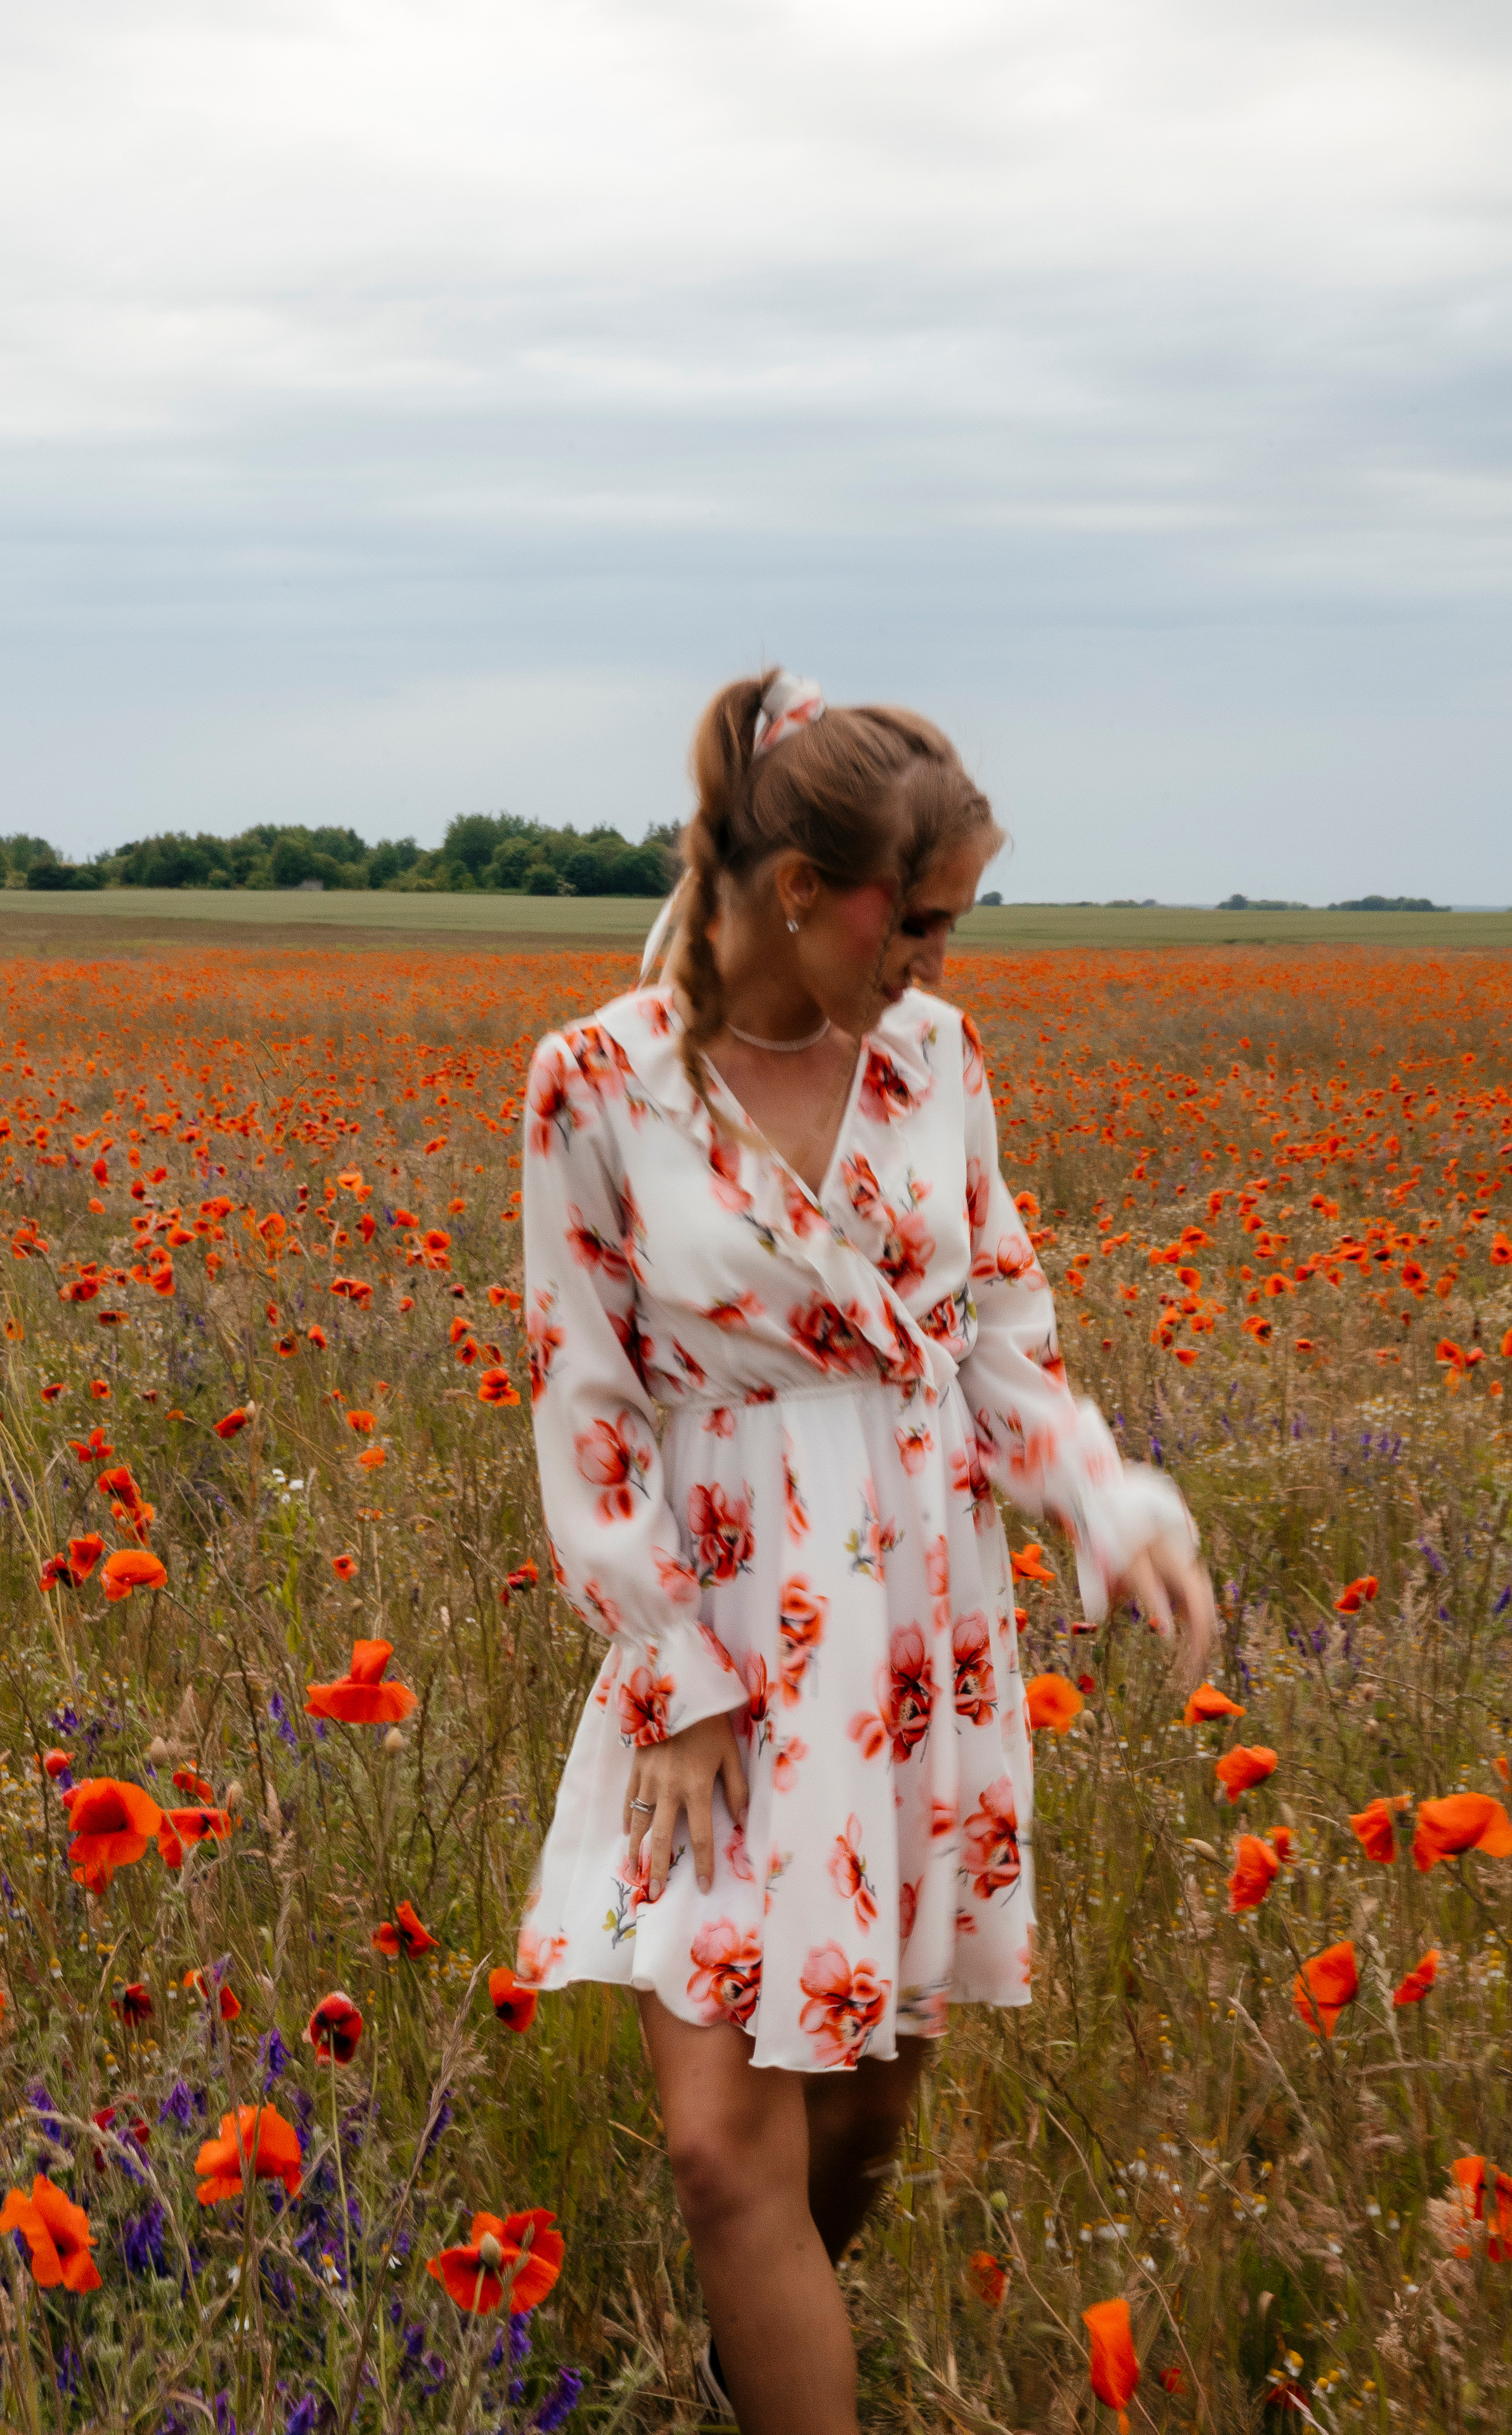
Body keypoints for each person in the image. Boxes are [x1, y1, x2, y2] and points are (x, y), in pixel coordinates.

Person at [517, 670, 1215, 2433]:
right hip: (727, 1634)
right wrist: (669, 1677)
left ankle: (767, 2337)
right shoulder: (598, 1082)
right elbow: (584, 1401)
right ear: (800, 885)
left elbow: (1000, 1336)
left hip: (917, 1624)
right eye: (917, 921)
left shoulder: (933, 1062)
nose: (936, 962)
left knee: (866, 2103)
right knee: (716, 2145)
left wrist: (1105, 1505)